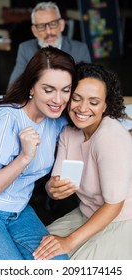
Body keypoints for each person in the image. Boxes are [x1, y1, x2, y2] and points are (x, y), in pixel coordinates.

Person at [0, 46, 77, 260]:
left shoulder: (56, 120)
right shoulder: (4, 121)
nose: (59, 100)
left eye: (66, 90)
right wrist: (24, 158)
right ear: (31, 87)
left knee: (59, 265)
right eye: (48, 90)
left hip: (19, 212)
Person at [33, 62, 132, 260]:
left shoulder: (109, 137)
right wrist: (52, 189)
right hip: (85, 213)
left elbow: (114, 206)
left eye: (94, 102)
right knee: (34, 252)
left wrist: (69, 241)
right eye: (76, 99)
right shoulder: (69, 132)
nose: (83, 108)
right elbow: (57, 185)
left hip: (121, 221)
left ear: (106, 105)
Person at [8, 1, 91, 87]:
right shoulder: (26, 49)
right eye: (41, 26)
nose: (48, 32)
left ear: (61, 25)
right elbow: (13, 87)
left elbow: (87, 87)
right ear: (34, 31)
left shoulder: (80, 50)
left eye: (53, 24)